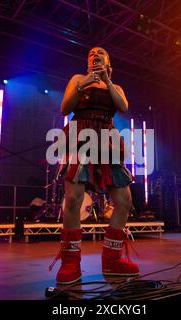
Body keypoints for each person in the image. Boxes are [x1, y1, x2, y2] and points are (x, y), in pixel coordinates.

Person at [49, 47, 138, 284]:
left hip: (107, 137)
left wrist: (107, 81)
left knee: (124, 200)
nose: (95, 54)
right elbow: (65, 108)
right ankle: (70, 263)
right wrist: (85, 83)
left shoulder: (115, 86)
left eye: (101, 52)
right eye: (91, 53)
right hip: (81, 135)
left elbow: (123, 107)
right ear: (88, 61)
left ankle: (112, 259)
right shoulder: (78, 79)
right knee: (74, 199)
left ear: (108, 62)